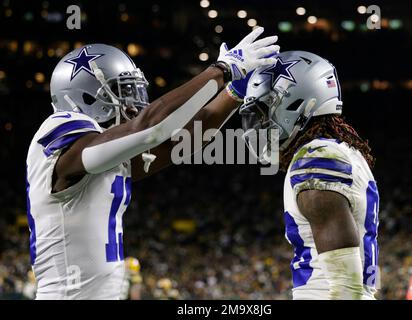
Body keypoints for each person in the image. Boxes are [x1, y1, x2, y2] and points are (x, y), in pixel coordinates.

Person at [25, 27, 279, 299]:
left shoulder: (99, 155)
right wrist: (221, 70)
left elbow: (182, 142)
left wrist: (232, 92)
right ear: (86, 97)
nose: (133, 104)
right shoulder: (62, 136)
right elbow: (151, 128)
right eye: (121, 91)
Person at [238, 50, 379, 299]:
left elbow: (346, 287)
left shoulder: (317, 158)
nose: (258, 127)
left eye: (264, 113)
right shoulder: (338, 150)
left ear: (295, 102)